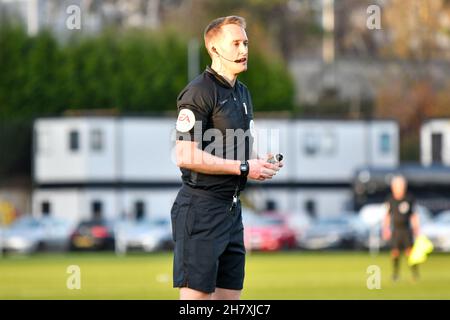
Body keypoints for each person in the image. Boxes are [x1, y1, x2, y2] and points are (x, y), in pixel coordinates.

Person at [171, 15, 283, 300]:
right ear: (214, 49)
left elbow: (241, 148)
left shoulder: (243, 93)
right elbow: (184, 155)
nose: (244, 50)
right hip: (200, 209)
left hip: (232, 211)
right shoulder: (199, 91)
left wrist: (261, 161)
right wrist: (245, 167)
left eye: (245, 43)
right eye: (235, 43)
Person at [382, 175, 420, 282]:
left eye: (401, 186)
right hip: (396, 230)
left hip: (407, 230)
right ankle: (395, 274)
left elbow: (414, 215)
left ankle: (415, 274)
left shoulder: (409, 199)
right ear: (393, 187)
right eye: (397, 186)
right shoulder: (390, 199)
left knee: (410, 252)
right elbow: (387, 215)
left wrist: (416, 228)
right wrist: (385, 228)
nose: (399, 188)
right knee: (395, 252)